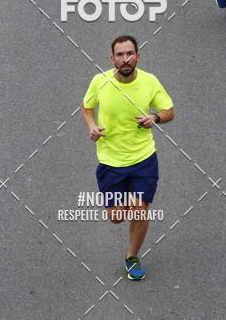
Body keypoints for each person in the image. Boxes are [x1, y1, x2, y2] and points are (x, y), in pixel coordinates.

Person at [81, 35, 174, 281]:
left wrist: (155, 118)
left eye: (130, 54)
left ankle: (132, 257)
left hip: (143, 159)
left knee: (141, 210)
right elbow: (86, 106)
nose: (125, 59)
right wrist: (91, 126)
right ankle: (125, 202)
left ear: (137, 57)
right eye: (120, 55)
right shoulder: (99, 82)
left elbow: (169, 111)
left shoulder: (150, 82)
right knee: (117, 216)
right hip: (111, 162)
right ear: (112, 59)